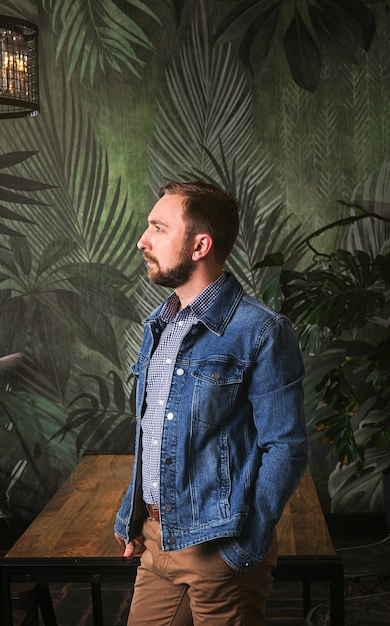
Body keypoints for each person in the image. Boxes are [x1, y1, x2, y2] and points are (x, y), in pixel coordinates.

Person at [114, 180, 308, 625]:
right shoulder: (159, 325)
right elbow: (155, 434)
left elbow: (287, 447)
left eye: (159, 228)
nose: (143, 241)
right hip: (157, 542)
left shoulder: (261, 330)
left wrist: (242, 547)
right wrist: (135, 518)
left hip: (219, 547)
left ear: (200, 245)